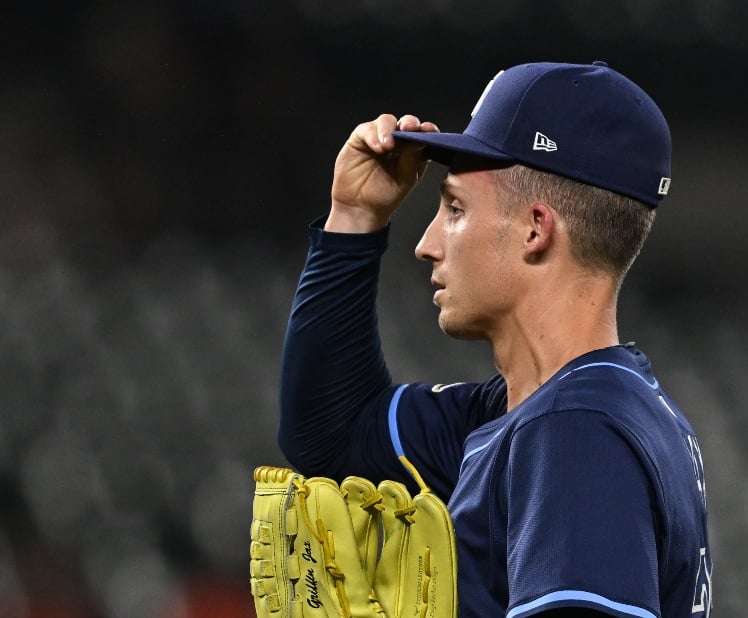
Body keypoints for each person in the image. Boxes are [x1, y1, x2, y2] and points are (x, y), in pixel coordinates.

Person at [278, 61, 713, 618]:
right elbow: (331, 433)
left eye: (455, 208)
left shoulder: (574, 431)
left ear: (536, 229)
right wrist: (354, 217)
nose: (427, 243)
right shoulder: (560, 411)